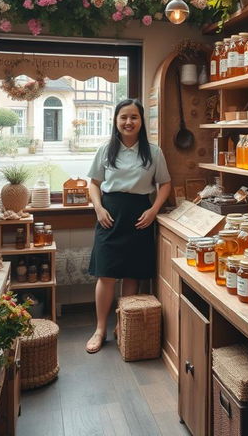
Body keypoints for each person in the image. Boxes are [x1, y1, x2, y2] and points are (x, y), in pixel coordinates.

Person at [85, 98, 171, 353]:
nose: (128, 122)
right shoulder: (106, 149)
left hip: (139, 216)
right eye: (123, 117)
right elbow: (93, 183)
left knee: (132, 274)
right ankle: (100, 329)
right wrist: (99, 209)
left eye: (134, 117)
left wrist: (153, 211)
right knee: (106, 274)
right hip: (109, 215)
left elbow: (165, 184)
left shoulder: (153, 152)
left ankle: (123, 323)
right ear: (116, 120)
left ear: (141, 121)